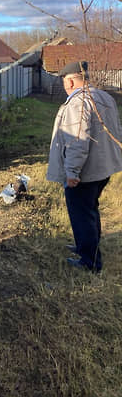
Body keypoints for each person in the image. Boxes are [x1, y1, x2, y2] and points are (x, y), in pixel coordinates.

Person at [47, 60, 122, 272]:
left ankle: (89, 262)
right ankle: (86, 247)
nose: (64, 86)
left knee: (82, 215)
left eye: (64, 82)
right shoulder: (104, 96)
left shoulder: (78, 103)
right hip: (103, 168)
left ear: (70, 81)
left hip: (85, 172)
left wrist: (72, 172)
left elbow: (76, 141)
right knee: (90, 209)